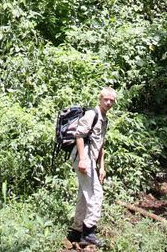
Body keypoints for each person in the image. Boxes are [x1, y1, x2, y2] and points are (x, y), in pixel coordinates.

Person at [67, 87, 117, 248]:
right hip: (83, 158)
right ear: (100, 99)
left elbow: (100, 143)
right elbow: (79, 135)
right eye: (106, 99)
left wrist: (101, 166)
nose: (109, 102)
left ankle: (76, 230)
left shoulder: (104, 118)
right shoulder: (92, 114)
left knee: (84, 193)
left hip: (91, 160)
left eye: (112, 100)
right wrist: (82, 159)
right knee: (96, 193)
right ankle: (88, 233)